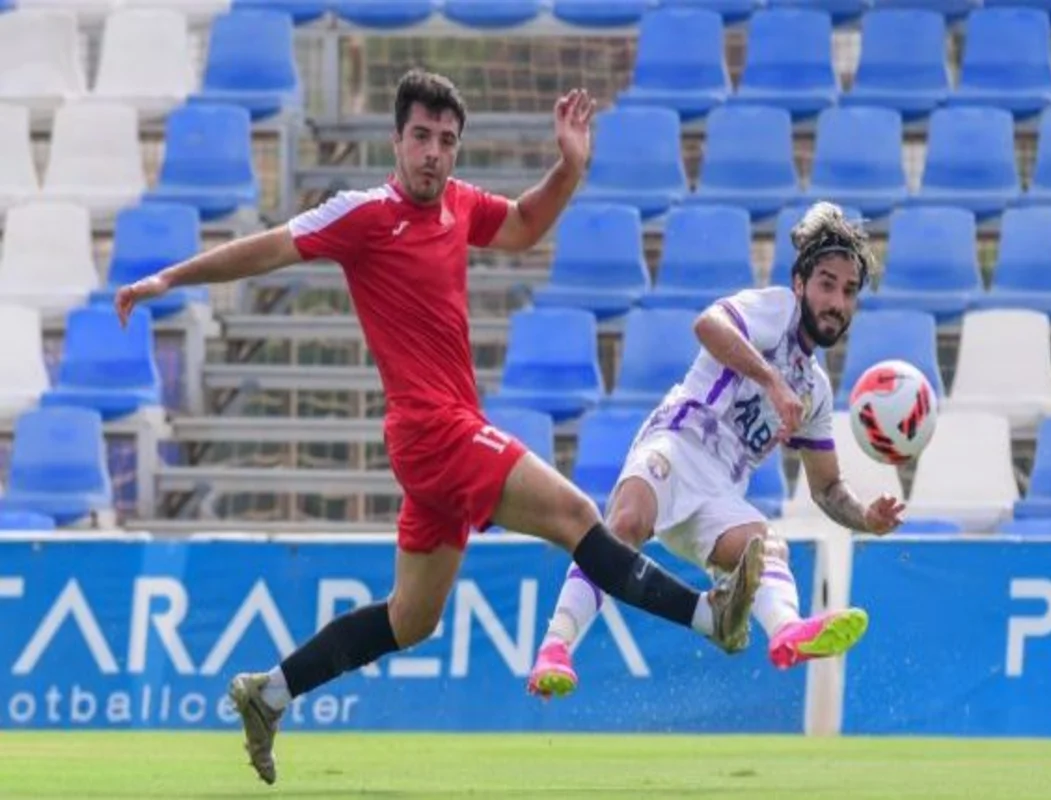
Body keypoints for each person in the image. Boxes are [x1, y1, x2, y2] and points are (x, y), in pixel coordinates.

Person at [114, 69, 764, 785]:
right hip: (432, 430)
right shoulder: (362, 215)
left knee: (411, 619)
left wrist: (570, 169)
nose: (433, 153)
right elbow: (267, 246)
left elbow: (521, 225)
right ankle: (710, 616)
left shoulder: (457, 204)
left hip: (445, 438)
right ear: (397, 139)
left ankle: (269, 693)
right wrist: (168, 280)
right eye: (421, 137)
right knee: (578, 514)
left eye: (446, 141)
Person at [527, 202, 906, 700]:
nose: (836, 301)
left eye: (849, 292)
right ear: (800, 283)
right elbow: (707, 325)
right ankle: (555, 648)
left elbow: (827, 488)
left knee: (766, 546)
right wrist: (770, 380)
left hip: (720, 490)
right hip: (678, 441)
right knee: (626, 525)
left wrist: (866, 518)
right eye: (827, 284)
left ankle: (787, 631)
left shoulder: (815, 388)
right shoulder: (777, 309)